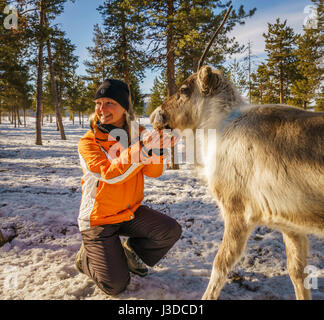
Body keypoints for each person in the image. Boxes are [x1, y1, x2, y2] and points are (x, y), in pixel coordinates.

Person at [75, 78, 182, 296]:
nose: (101, 109)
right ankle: (85, 258)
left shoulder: (136, 133)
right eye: (99, 102)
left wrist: (159, 150)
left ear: (124, 108)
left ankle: (130, 253)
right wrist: (142, 149)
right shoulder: (89, 142)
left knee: (169, 230)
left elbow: (153, 172)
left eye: (109, 103)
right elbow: (109, 176)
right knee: (115, 286)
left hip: (127, 213)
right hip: (98, 220)